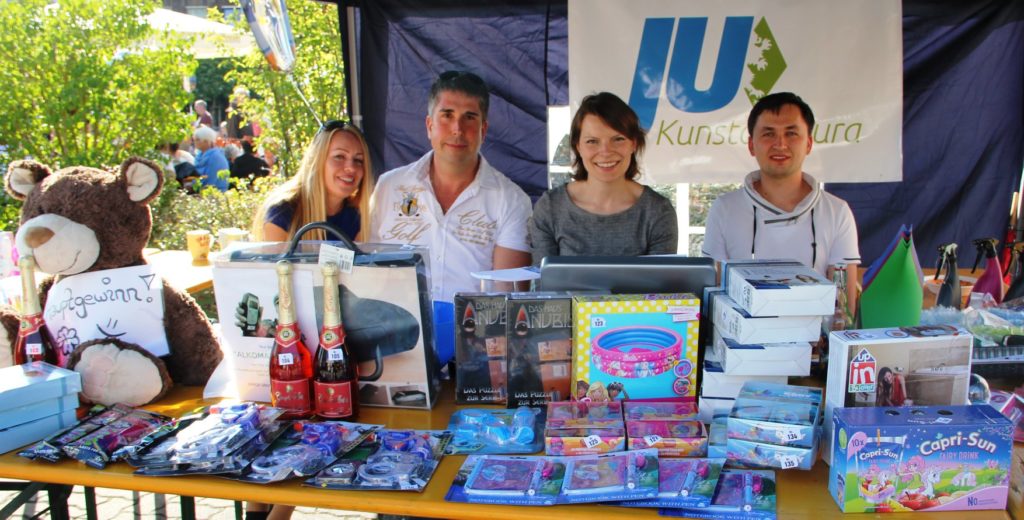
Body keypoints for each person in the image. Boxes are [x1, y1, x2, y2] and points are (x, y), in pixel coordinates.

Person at [369, 70, 532, 366]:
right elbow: (369, 274)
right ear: (429, 125)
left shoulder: (511, 199)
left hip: (475, 358)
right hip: (395, 350)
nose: (458, 128)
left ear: (484, 129)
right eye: (447, 115)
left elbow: (508, 298)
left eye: (469, 117)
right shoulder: (389, 188)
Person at [702, 92, 860, 308]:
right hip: (745, 339)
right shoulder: (725, 209)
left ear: (809, 144)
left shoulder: (837, 211)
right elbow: (715, 292)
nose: (780, 144)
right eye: (768, 134)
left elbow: (843, 306)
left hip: (815, 340)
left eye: (791, 133)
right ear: (751, 145)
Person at [529, 92, 677, 265]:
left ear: (633, 144)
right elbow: (543, 285)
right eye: (592, 141)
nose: (606, 152)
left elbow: (662, 288)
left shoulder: (658, 211)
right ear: (578, 146)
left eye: (618, 139)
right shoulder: (550, 208)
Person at [252, 121, 373, 242]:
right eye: (339, 156)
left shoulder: (356, 217)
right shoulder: (282, 213)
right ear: (316, 160)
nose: (351, 167)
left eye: (358, 160)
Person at [191, 126, 230, 192]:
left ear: (206, 141)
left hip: (216, 193)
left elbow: (211, 180)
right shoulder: (198, 156)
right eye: (194, 139)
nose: (195, 142)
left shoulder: (216, 157)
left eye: (198, 139)